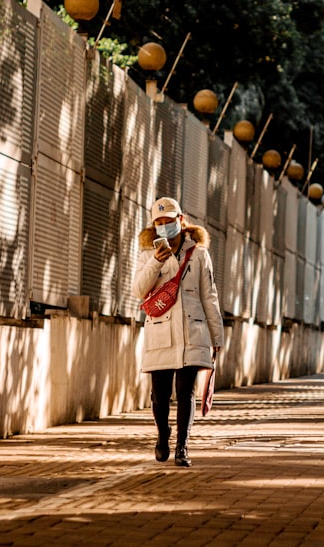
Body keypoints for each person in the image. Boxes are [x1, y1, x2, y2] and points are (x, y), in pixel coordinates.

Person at [133, 197, 224, 468]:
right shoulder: (147, 255)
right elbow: (139, 291)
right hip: (161, 332)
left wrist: (216, 337)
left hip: (192, 331)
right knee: (160, 396)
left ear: (180, 221)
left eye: (169, 222)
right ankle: (163, 436)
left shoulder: (198, 254)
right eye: (159, 223)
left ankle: (182, 447)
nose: (164, 227)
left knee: (186, 392)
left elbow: (210, 297)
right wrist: (156, 263)